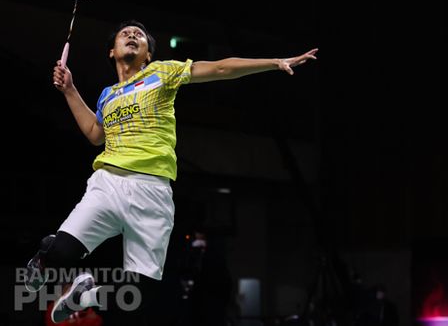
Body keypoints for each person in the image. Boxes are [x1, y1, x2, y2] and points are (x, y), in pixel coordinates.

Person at [23, 19, 318, 324]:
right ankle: (45, 257)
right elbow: (96, 134)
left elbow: (219, 68)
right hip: (108, 184)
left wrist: (274, 62)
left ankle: (83, 296)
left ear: (148, 54)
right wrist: (70, 90)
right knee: (61, 252)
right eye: (126, 33)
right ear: (112, 52)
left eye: (140, 34)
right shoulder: (107, 95)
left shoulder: (162, 73)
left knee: (138, 297)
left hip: (153, 192)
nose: (133, 35)